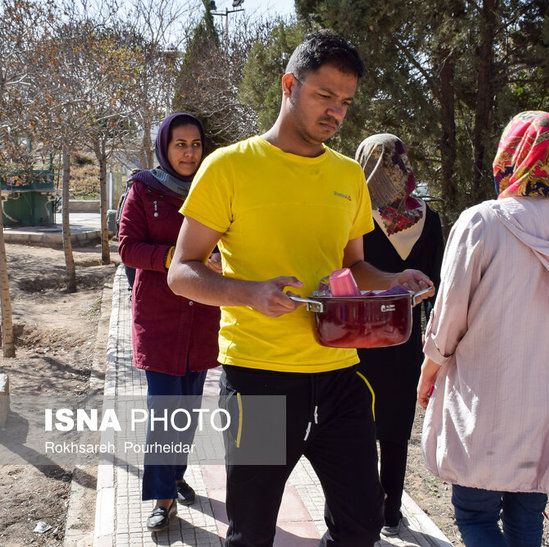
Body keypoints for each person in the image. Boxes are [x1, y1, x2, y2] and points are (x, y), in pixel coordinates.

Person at [166, 31, 434, 546]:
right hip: (259, 381)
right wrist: (249, 292)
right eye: (324, 96)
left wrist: (393, 280)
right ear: (289, 85)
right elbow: (182, 271)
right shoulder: (229, 167)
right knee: (251, 532)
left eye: (346, 102)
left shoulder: (348, 176)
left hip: (340, 377)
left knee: (361, 525)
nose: (336, 112)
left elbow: (354, 269)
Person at [416, 111, 549, 546]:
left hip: (486, 406)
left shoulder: (482, 222)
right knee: (528, 519)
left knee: (475, 516)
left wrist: (429, 370)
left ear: (510, 157)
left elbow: (449, 315)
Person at [118, 112, 222, 532]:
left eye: (195, 144)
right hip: (160, 318)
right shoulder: (143, 190)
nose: (189, 151)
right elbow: (128, 248)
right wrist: (177, 260)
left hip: (201, 316)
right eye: (180, 143)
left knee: (190, 408)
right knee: (165, 409)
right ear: (165, 146)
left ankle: (176, 475)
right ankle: (162, 496)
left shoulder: (214, 189)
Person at [354, 134, 444, 536]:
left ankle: (362, 511)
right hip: (405, 338)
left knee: (356, 425)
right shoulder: (430, 218)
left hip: (355, 335)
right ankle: (391, 513)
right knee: (395, 427)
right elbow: (437, 284)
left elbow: (342, 271)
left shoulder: (353, 215)